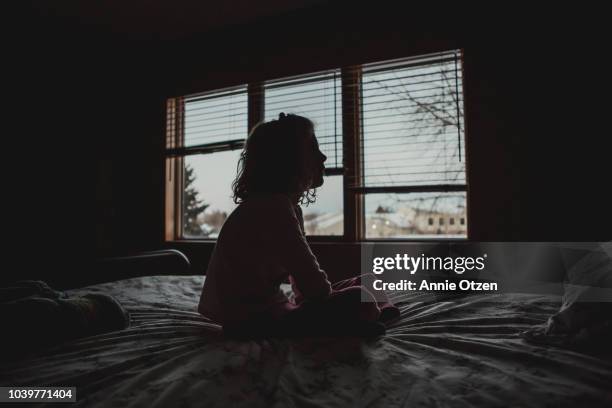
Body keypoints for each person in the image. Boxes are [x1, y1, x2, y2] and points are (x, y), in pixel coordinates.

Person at [198, 113, 400, 338]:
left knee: (368, 280)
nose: (323, 157)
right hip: (251, 320)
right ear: (288, 161)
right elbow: (311, 280)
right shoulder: (272, 207)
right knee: (358, 297)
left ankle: (374, 315)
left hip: (272, 309)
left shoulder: (286, 207)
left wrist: (315, 297)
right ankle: (360, 320)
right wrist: (326, 297)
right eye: (314, 150)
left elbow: (300, 274)